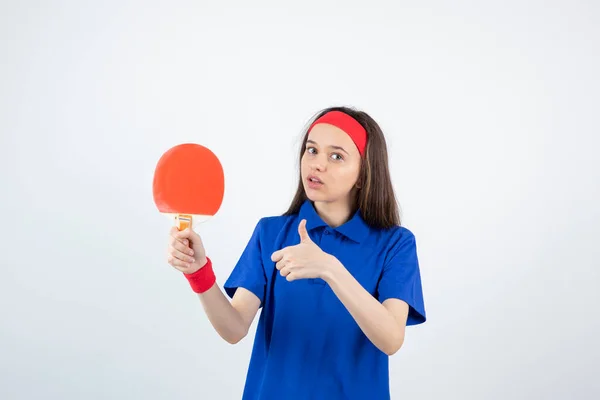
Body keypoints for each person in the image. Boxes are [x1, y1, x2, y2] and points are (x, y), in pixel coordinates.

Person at [166, 106, 426, 400]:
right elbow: (234, 328)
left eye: (336, 156)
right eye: (311, 150)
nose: (317, 164)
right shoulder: (270, 233)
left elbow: (391, 338)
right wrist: (198, 272)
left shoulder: (396, 244)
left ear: (363, 175)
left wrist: (329, 269)